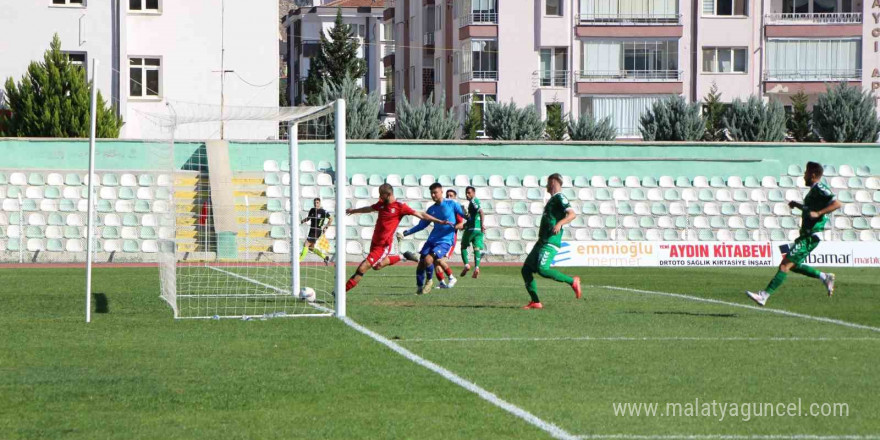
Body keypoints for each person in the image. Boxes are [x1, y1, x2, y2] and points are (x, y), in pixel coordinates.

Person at [746, 162, 840, 306]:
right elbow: (810, 210)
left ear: (813, 175)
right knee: (793, 265)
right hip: (806, 235)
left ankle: (764, 295)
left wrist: (819, 213)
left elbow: (837, 203)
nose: (804, 175)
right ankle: (824, 276)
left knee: (785, 266)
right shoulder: (813, 192)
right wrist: (797, 205)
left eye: (806, 173)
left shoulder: (820, 188)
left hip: (811, 236)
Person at [344, 183, 447, 292]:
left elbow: (420, 214)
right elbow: (369, 208)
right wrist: (353, 211)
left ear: (388, 194)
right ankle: (402, 257)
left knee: (362, 268)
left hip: (383, 245)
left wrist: (439, 221)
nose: (379, 197)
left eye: (381, 194)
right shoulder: (381, 204)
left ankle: (340, 292)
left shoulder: (399, 207)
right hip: (374, 242)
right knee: (377, 266)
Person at [521, 173, 582, 310]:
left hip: (550, 241)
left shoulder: (560, 197)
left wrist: (560, 223)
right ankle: (535, 301)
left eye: (548, 182)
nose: (546, 185)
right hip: (541, 241)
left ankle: (573, 281)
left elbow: (572, 214)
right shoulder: (552, 200)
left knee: (543, 269)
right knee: (526, 270)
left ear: (554, 182)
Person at [398, 183, 465, 294]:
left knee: (429, 259)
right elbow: (422, 225)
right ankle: (419, 288)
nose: (433, 195)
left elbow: (464, 217)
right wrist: (406, 233)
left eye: (435, 192)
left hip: (445, 240)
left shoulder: (452, 204)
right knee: (421, 263)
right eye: (431, 193)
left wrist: (468, 217)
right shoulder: (431, 209)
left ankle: (430, 281)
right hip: (432, 239)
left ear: (441, 192)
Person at [434, 188, 464, 288]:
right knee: (436, 261)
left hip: (450, 240)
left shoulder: (455, 209)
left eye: (451, 195)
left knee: (439, 260)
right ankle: (442, 282)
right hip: (440, 238)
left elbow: (461, 224)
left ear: (455, 197)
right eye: (448, 195)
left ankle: (451, 277)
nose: (449, 197)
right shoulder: (443, 208)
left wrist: (453, 227)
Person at [459, 186, 485, 279]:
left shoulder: (474, 201)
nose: (467, 194)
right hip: (478, 231)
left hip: (471, 230)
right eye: (466, 192)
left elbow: (481, 212)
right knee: (477, 249)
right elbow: (472, 218)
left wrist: (482, 224)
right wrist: (465, 225)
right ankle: (477, 268)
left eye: (469, 192)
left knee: (463, 246)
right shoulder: (472, 203)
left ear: (474, 193)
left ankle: (466, 265)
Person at [299, 198, 332, 265]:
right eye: (315, 202)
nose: (315, 204)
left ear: (319, 203)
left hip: (317, 231)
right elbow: (308, 218)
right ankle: (325, 257)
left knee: (306, 244)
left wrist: (326, 227)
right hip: (311, 230)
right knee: (311, 248)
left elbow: (331, 219)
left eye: (317, 202)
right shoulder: (312, 210)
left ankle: (298, 260)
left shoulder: (323, 211)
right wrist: (302, 221)